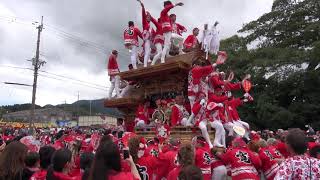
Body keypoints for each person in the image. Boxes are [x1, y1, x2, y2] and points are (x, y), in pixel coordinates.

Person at [138, 0, 154, 67]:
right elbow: (143, 15)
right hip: (146, 39)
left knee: (150, 50)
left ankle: (149, 60)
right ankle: (145, 64)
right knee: (147, 51)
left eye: (149, 17)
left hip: (150, 40)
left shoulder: (150, 26)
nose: (148, 18)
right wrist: (143, 7)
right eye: (147, 17)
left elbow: (153, 33)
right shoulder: (145, 23)